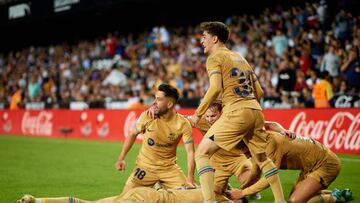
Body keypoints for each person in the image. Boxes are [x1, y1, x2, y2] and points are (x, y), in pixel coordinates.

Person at [189, 21, 285, 202]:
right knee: (263, 159)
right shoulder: (240, 58)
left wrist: (198, 114)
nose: (202, 41)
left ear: (215, 39)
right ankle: (280, 201)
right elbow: (260, 92)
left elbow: (215, 87)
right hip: (256, 111)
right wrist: (248, 106)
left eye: (204, 37)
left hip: (236, 111)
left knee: (202, 153)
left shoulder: (215, 58)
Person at [228, 132, 352, 203]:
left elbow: (270, 177)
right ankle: (335, 193)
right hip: (309, 167)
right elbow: (255, 174)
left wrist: (242, 193)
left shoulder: (269, 144)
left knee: (295, 201)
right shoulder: (257, 145)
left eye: (246, 151)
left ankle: (336, 198)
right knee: (298, 197)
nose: (246, 156)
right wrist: (239, 192)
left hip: (325, 164)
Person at [115, 84, 195, 193]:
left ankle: (159, 187)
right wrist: (121, 158)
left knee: (189, 195)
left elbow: (190, 152)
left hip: (169, 170)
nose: (154, 102)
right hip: (145, 167)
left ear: (169, 104)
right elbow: (132, 134)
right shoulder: (147, 116)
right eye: (155, 98)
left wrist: (190, 178)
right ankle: (158, 186)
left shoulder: (183, 124)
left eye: (159, 99)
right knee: (126, 197)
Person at [16, 185, 235, 203]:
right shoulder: (215, 196)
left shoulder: (207, 190)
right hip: (151, 199)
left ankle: (37, 200)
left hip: (146, 194)